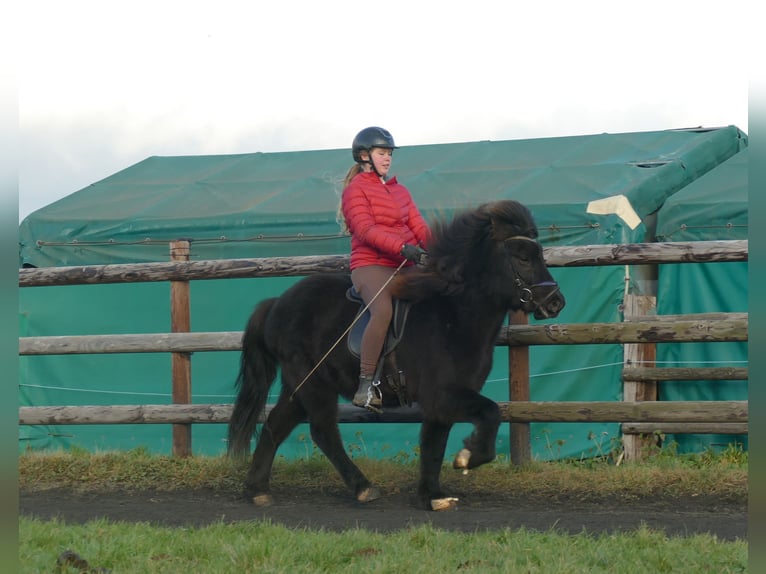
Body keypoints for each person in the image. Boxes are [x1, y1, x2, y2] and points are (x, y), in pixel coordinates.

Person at [341, 126, 431, 410]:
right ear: (365, 156)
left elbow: (418, 226)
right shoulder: (355, 191)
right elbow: (366, 230)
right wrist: (403, 248)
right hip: (371, 265)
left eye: (389, 153)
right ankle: (366, 386)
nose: (388, 158)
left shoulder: (400, 190)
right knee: (382, 311)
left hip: (402, 265)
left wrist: (439, 250)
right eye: (382, 153)